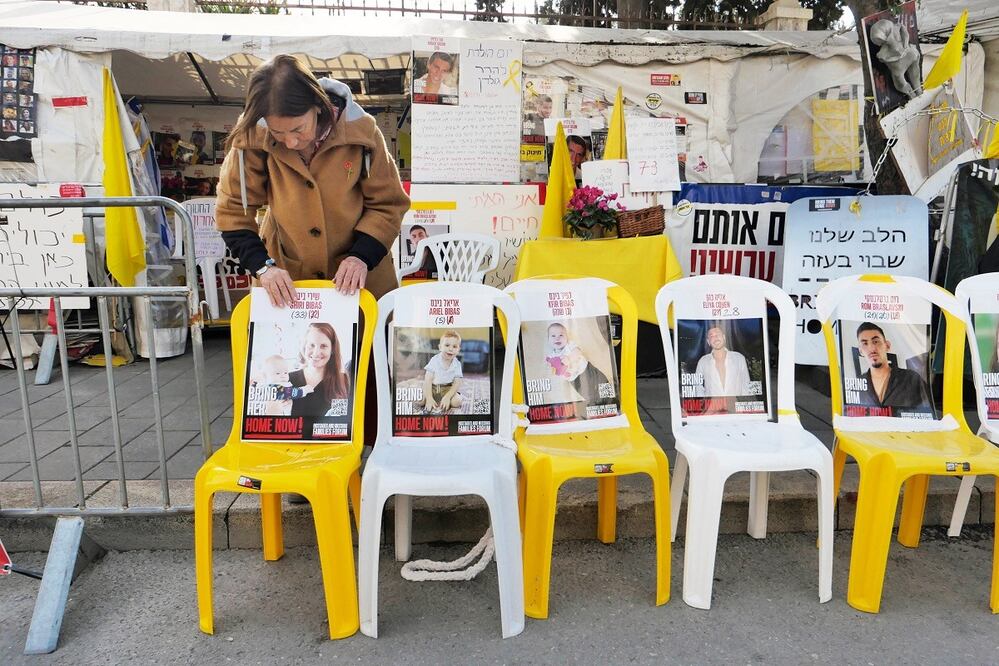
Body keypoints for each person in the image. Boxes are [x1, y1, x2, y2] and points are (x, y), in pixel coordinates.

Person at [216, 54, 410, 305]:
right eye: (278, 132)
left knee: (364, 344)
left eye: (298, 129)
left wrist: (360, 257)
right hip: (288, 286)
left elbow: (388, 205)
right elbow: (232, 211)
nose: (290, 142)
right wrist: (263, 268)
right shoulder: (252, 139)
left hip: (362, 282)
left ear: (318, 105)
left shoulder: (362, 134)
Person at [854, 322, 932, 412]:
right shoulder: (856, 385)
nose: (872, 349)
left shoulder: (912, 378)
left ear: (887, 346)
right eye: (865, 344)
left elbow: (928, 414)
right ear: (860, 351)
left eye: (875, 342)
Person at [545, 322, 614, 410]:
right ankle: (596, 404)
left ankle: (610, 398)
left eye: (561, 335)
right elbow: (553, 370)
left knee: (601, 380)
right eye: (553, 336)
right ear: (548, 340)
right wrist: (554, 368)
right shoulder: (552, 356)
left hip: (585, 368)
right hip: (574, 379)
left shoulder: (569, 345)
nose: (557, 338)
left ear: (567, 337)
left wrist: (569, 358)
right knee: (586, 392)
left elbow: (577, 352)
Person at [287, 323, 350, 418]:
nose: (316, 353)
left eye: (323, 346)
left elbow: (339, 420)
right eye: (311, 345)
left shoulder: (342, 380)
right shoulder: (287, 380)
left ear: (332, 349)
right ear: (304, 346)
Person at [694, 324, 752, 399]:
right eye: (712, 336)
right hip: (712, 408)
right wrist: (705, 405)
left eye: (718, 334)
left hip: (735, 407)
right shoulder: (703, 361)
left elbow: (746, 385)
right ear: (708, 341)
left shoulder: (739, 358)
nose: (715, 338)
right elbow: (698, 387)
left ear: (724, 337)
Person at [423, 330, 464, 413]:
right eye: (447, 345)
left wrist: (448, 397)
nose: (450, 349)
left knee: (457, 402)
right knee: (419, 399)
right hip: (433, 387)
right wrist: (429, 397)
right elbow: (428, 379)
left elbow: (457, 383)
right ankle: (431, 399)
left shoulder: (457, 364)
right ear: (440, 347)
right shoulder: (434, 360)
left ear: (458, 350)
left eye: (454, 346)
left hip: (447, 389)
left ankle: (444, 399)